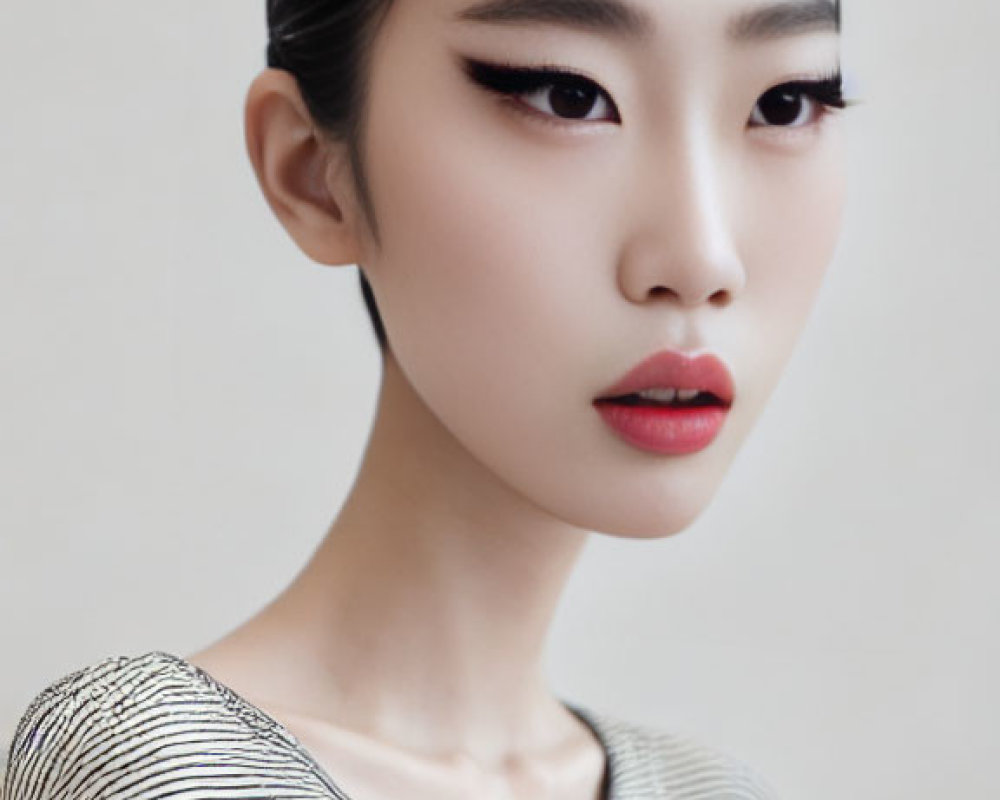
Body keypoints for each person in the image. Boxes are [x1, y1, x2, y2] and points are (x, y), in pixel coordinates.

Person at [2, 0, 856, 797]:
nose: (703, 258)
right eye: (568, 95)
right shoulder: (161, 769)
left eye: (784, 103)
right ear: (312, 172)